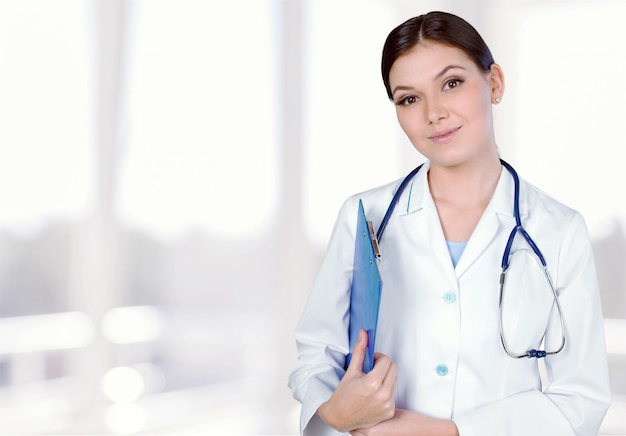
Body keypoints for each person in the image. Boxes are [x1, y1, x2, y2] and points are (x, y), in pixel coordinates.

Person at [288, 10, 611, 436]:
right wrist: (336, 413)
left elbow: (581, 400)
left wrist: (449, 431)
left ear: (494, 82)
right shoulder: (364, 216)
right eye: (409, 98)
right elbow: (315, 355)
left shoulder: (559, 231)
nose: (433, 113)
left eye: (452, 84)